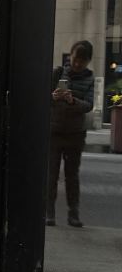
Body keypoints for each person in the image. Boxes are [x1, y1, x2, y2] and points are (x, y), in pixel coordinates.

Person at [47, 40, 95, 228]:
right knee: (51, 175)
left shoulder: (90, 79)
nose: (77, 64)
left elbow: (89, 105)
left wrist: (72, 100)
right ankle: (49, 213)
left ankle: (73, 214)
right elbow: (42, 97)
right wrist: (53, 96)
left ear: (88, 61)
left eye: (81, 62)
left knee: (72, 176)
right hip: (54, 132)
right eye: (75, 59)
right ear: (71, 56)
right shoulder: (58, 73)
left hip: (75, 134)